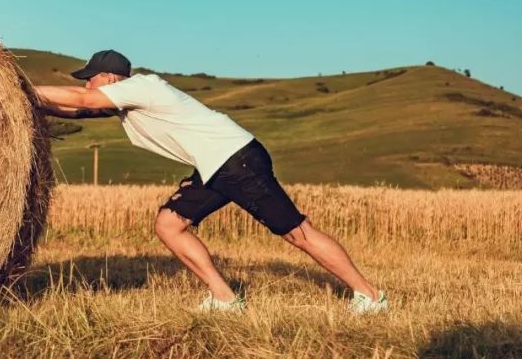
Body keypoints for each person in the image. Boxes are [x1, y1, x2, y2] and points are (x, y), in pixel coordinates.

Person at [34, 49, 388, 314]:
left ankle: (370, 296)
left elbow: (82, 99)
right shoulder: (128, 102)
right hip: (214, 165)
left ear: (110, 78)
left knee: (297, 232)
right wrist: (29, 103)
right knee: (169, 225)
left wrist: (20, 86)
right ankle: (225, 299)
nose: (86, 83)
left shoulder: (142, 87)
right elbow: (79, 109)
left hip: (237, 159)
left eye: (90, 78)